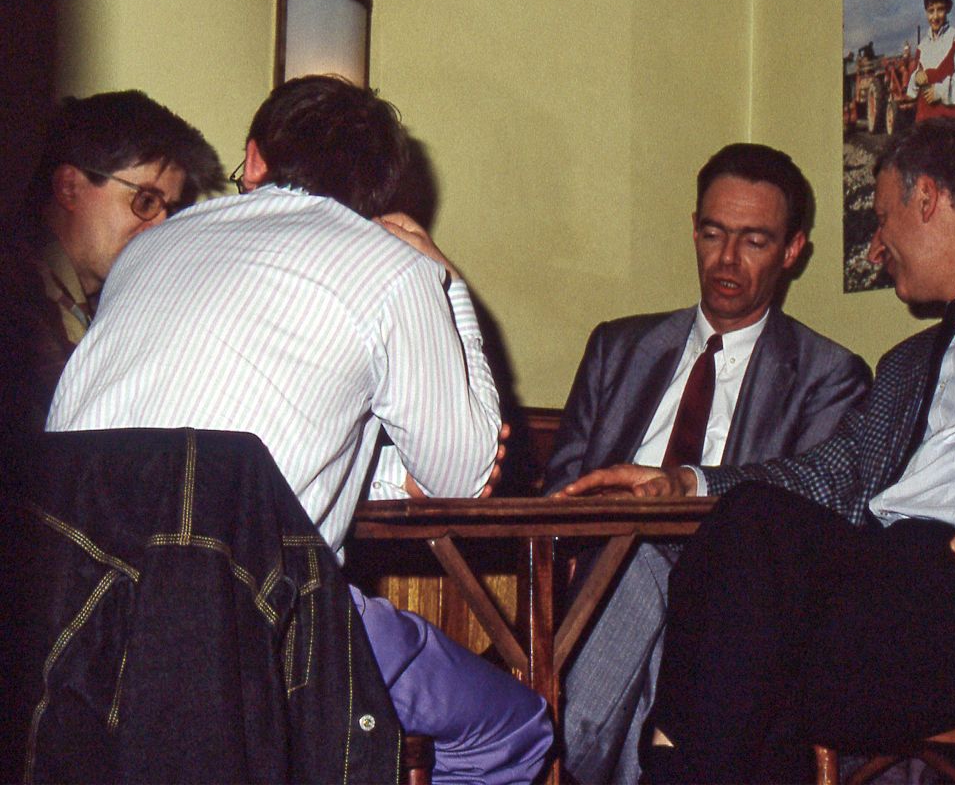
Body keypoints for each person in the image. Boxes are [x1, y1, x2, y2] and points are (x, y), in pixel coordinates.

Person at [562, 119, 955, 785]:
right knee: (746, 577)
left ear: (926, 198)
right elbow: (829, 475)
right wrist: (686, 483)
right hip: (898, 591)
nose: (875, 246)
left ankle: (671, 764)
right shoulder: (905, 364)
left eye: (882, 216)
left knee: (756, 613)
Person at [46, 75, 552, 784]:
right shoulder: (393, 271)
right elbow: (464, 478)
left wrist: (378, 473)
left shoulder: (146, 251)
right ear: (380, 195)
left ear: (253, 160)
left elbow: (216, 433)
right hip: (253, 631)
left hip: (67, 614)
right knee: (515, 729)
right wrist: (446, 283)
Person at [546, 143, 870, 784]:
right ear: (695, 230)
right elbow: (560, 497)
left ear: (792, 250)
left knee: (646, 564)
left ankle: (544, 759)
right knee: (633, 566)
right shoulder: (617, 348)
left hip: (736, 621)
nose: (726, 260)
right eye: (715, 234)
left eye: (754, 241)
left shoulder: (829, 377)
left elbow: (804, 526)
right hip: (596, 595)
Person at [1, 90, 223, 435]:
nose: (161, 227)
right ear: (69, 187)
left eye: (171, 210)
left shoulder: (106, 303)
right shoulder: (17, 304)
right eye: (146, 201)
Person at [906, 0, 955, 123]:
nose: (935, 16)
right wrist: (916, 77)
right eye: (931, 11)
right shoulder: (922, 46)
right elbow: (912, 91)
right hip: (924, 122)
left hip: (948, 122)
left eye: (940, 9)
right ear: (926, 11)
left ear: (949, 7)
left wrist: (940, 92)